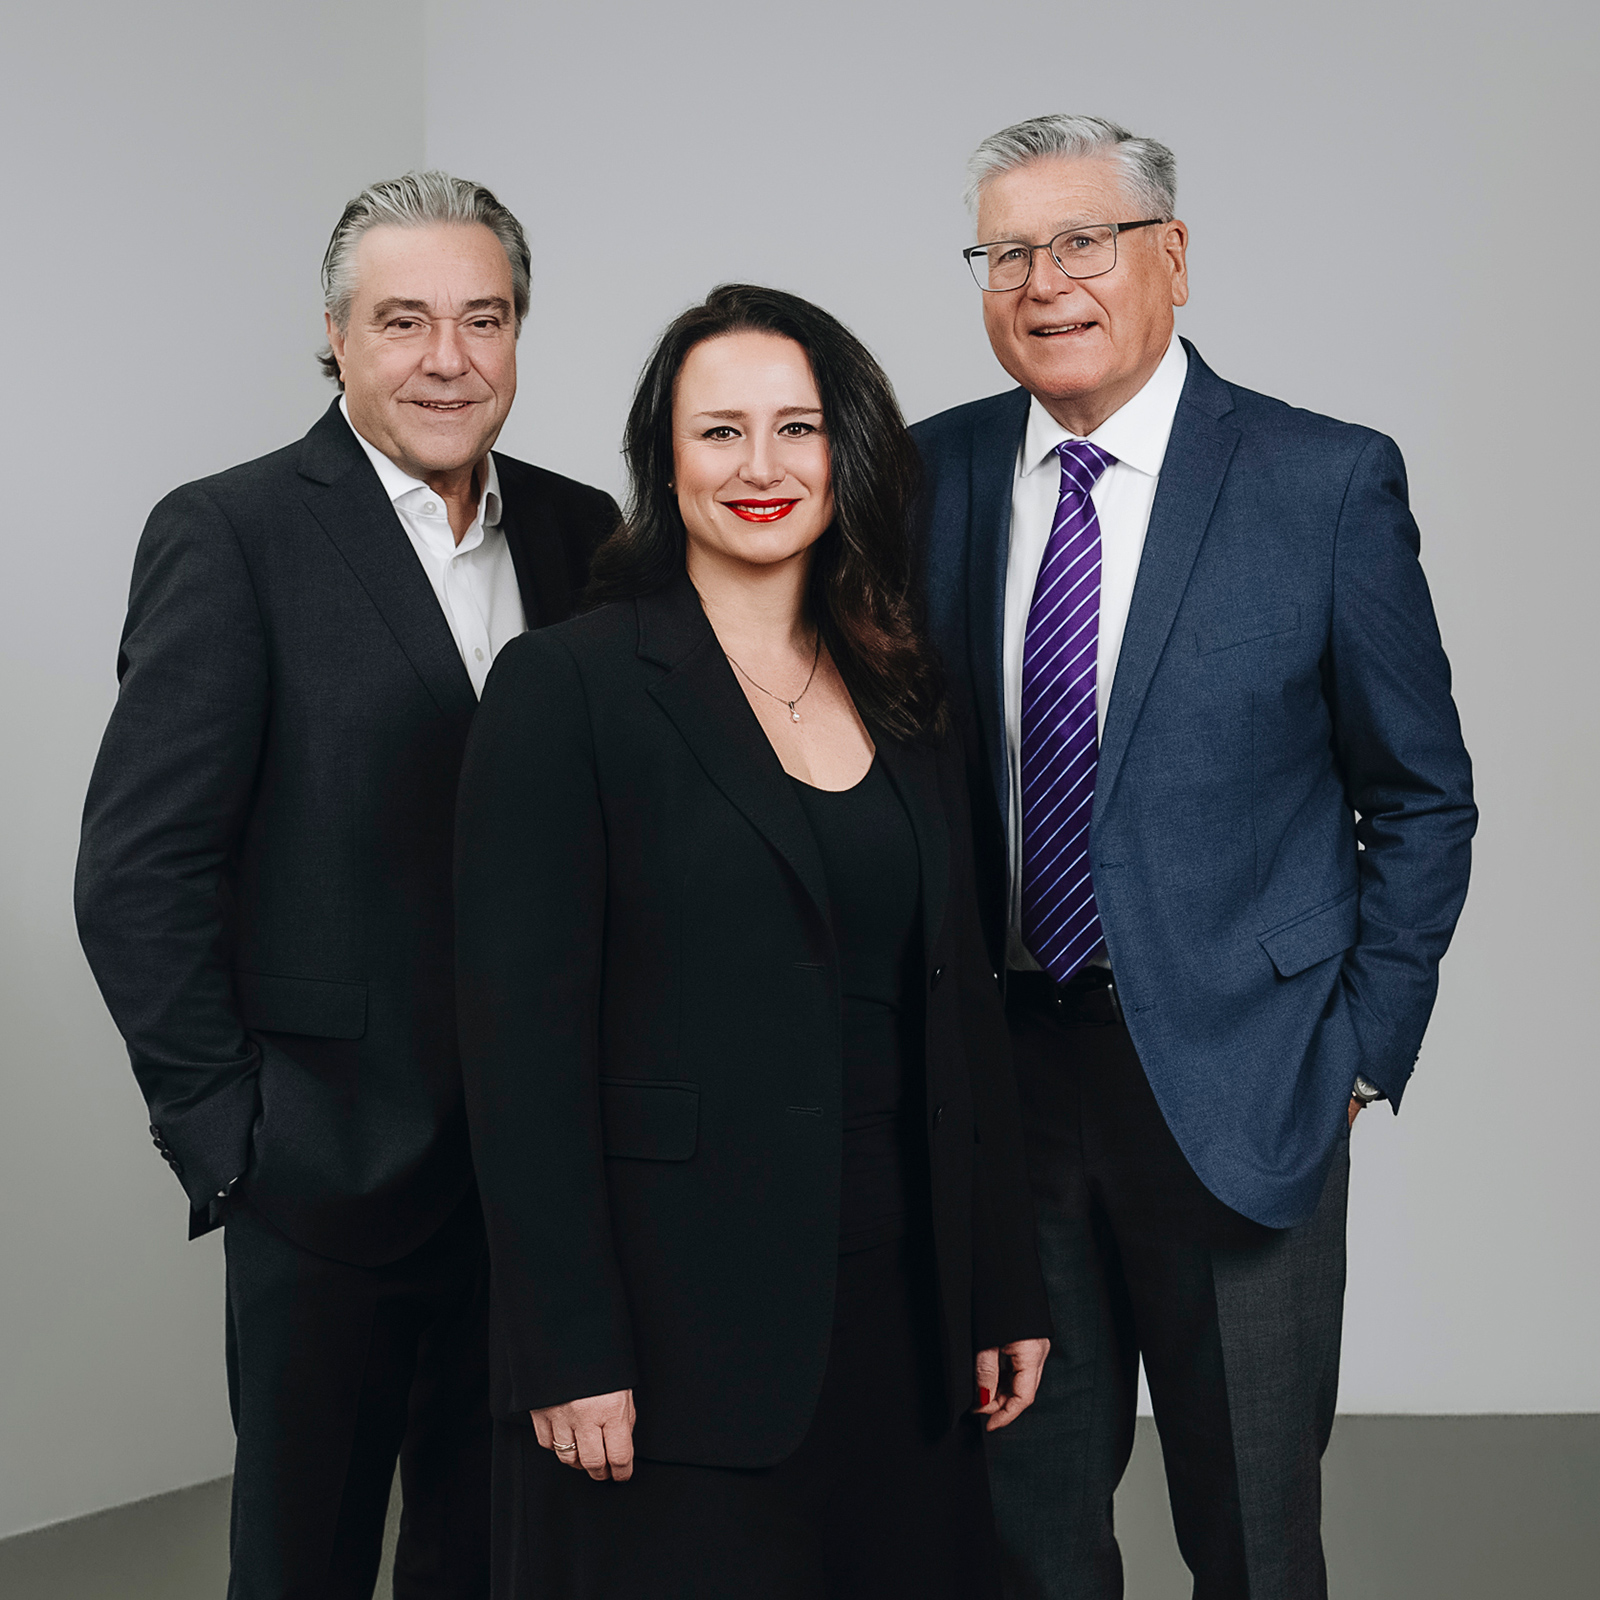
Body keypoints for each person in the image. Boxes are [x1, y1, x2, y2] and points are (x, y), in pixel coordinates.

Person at [913, 116, 1476, 1599]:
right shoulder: (927, 477)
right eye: (1007, 252)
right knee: (1021, 1527)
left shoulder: (1320, 482)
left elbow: (1420, 797)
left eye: (1081, 241)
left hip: (1244, 1080)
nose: (1044, 283)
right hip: (1007, 1088)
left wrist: (1360, 1048)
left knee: (1253, 1536)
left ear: (1170, 258)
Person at [453, 283, 1052, 1599]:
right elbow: (519, 1052)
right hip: (676, 1337)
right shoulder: (572, 686)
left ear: (849, 447)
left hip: (904, 1316)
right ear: (665, 463)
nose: (762, 467)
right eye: (719, 432)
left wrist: (999, 1283)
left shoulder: (909, 686)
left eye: (797, 427)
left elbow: (959, 1009)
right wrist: (566, 1346)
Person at [74, 171, 619, 1600]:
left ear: (518, 335)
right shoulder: (234, 533)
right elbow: (140, 869)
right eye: (404, 321)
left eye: (482, 318)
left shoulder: (586, 537)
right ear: (335, 335)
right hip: (324, 1177)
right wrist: (233, 1140)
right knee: (303, 1564)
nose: (449, 357)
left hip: (541, 1191)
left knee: (500, 1561)